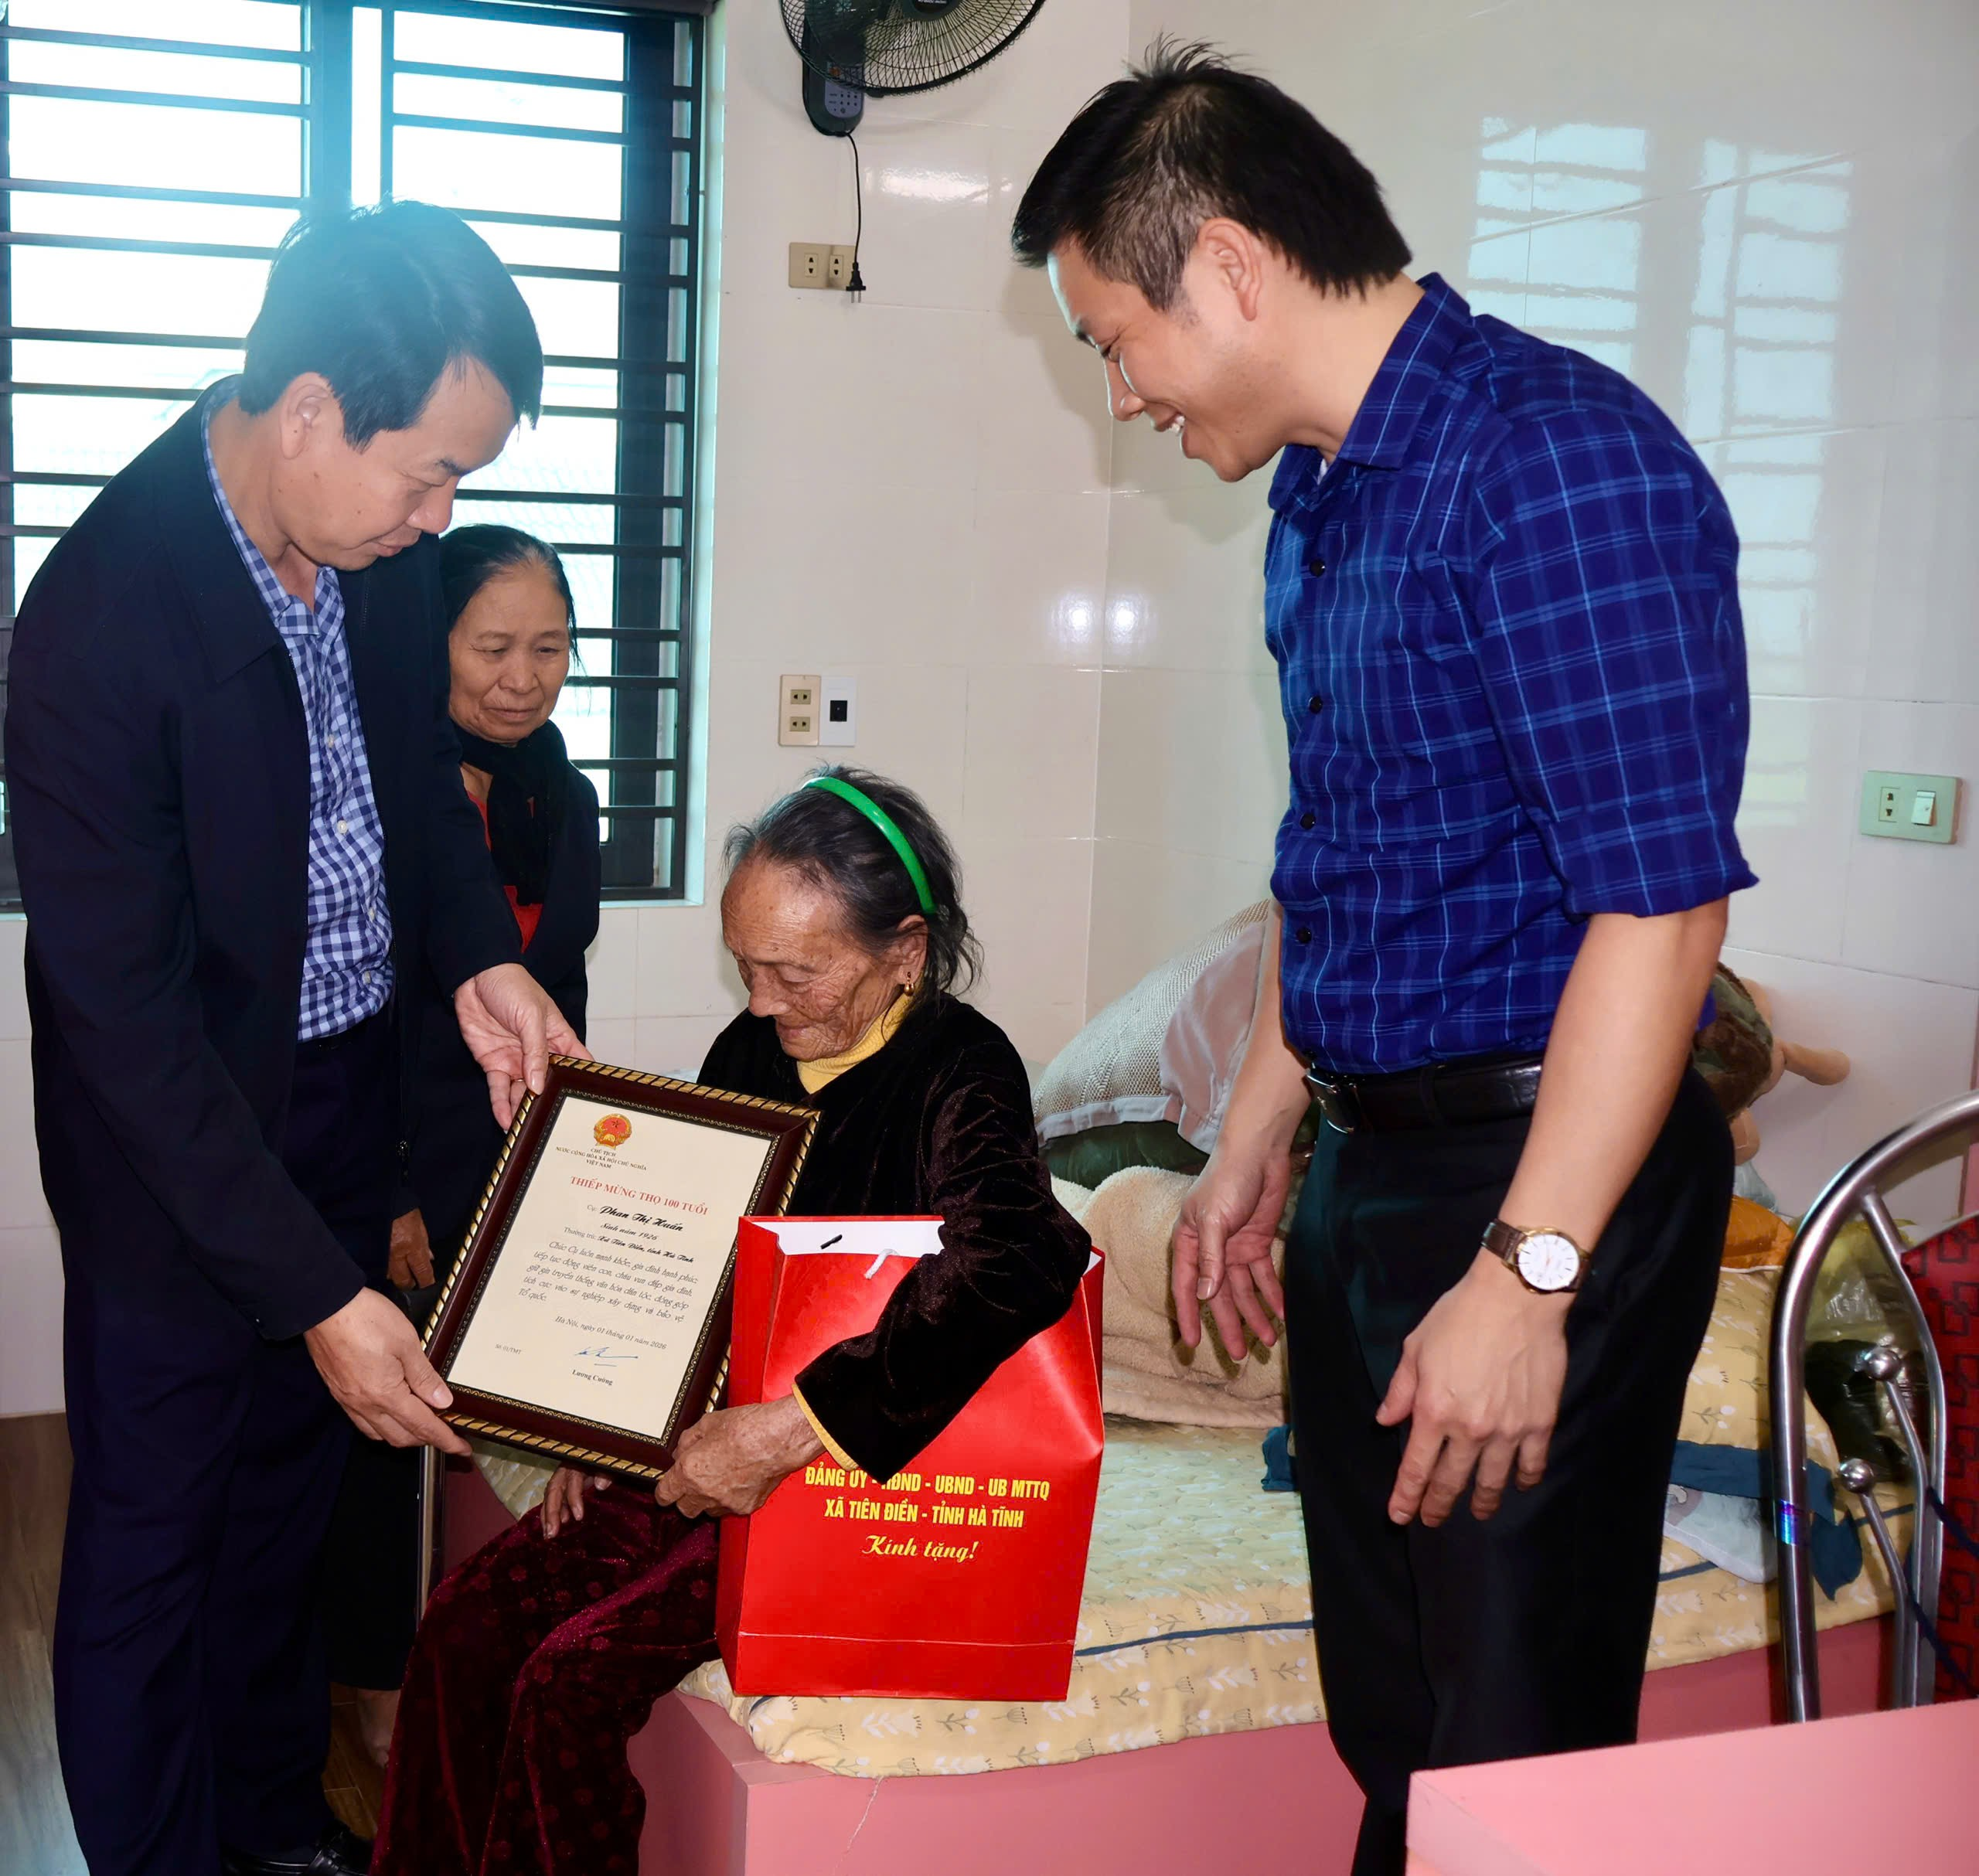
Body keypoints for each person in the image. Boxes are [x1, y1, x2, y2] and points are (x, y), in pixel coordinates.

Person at [1013, 43, 1751, 1875]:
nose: (1120, 393)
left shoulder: (1552, 464)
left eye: (1115, 341)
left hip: (1532, 1178)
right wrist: (1257, 1131)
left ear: (1230, 268)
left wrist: (1528, 1273)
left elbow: (1658, 908)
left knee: (1507, 1756)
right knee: (1397, 1726)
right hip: (1372, 1167)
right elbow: (1342, 860)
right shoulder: (1322, 498)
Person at [9, 203, 586, 1876]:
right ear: (313, 409)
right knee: (158, 1532)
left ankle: (272, 1824)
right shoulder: (99, 620)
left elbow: (412, 788)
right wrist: (322, 1295)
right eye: (431, 473)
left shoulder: (369, 555)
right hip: (174, 1142)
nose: (441, 516)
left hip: (337, 1085)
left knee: (283, 1504)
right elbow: (124, 1022)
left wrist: (482, 961)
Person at [373, 768, 1092, 1876]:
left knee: (570, 1680)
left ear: (904, 952)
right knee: (465, 1624)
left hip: (848, 1479)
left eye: (794, 972)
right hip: (713, 1444)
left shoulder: (963, 1069)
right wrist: (601, 1426)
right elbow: (695, 1261)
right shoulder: (753, 1050)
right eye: (745, 965)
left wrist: (792, 1428)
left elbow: (1022, 1255)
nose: (760, 1001)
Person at [322, 525, 601, 1765]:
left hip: (506, 1145)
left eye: (549, 647)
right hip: (382, 1146)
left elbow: (559, 986)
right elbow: (354, 1008)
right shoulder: (380, 793)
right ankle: (374, 1677)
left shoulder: (565, 795)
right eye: (491, 647)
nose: (522, 678)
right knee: (387, 1425)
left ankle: (496, 1638)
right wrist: (385, 1189)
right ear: (427, 644)